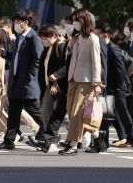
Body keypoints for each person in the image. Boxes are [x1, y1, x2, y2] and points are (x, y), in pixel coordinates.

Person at [0, 10, 46, 151]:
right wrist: (4, 53)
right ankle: (9, 141)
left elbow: (37, 60)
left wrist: (29, 77)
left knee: (34, 110)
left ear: (26, 23)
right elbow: (15, 59)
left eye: (18, 21)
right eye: (15, 21)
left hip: (27, 83)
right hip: (16, 82)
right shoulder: (19, 38)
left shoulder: (33, 38)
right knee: (13, 112)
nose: (16, 24)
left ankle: (49, 133)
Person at [58, 10, 102, 156]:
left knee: (77, 112)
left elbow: (97, 61)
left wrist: (97, 83)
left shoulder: (93, 39)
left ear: (85, 22)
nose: (75, 23)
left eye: (77, 20)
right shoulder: (77, 38)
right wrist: (70, 46)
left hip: (86, 80)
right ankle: (98, 137)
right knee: (71, 111)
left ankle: (73, 145)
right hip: (73, 78)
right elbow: (71, 57)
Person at [33, 23, 66, 151]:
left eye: (45, 37)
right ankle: (49, 139)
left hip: (56, 86)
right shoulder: (48, 48)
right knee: (47, 113)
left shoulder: (60, 46)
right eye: (42, 37)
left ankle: (50, 140)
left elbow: (64, 67)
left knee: (49, 113)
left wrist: (56, 83)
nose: (43, 40)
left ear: (53, 35)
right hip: (47, 85)